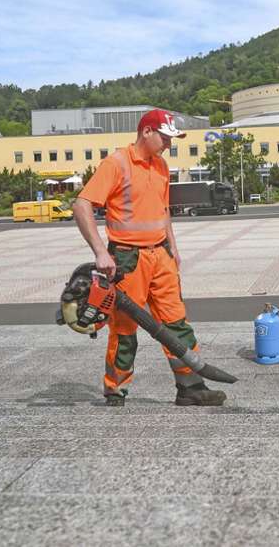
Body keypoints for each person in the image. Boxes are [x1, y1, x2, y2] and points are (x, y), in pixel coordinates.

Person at [72, 109, 225, 407]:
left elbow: (163, 210)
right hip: (127, 260)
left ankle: (191, 387)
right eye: (165, 138)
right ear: (146, 132)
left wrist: (174, 248)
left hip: (162, 257)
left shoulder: (161, 165)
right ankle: (115, 390)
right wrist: (101, 252)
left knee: (177, 322)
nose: (169, 144)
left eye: (171, 139)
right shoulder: (116, 163)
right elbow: (81, 205)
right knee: (125, 329)